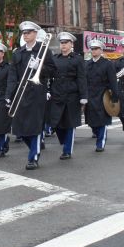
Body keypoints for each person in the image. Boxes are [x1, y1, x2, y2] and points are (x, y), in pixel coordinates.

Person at [6, 21, 56, 170]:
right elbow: (12, 76)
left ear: (35, 34)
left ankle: (33, 157)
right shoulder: (17, 53)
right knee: (20, 128)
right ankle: (36, 145)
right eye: (24, 33)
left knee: (34, 127)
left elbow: (53, 71)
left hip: (36, 93)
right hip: (20, 94)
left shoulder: (43, 50)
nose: (26, 35)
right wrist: (9, 94)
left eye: (28, 32)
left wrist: (39, 69)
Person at [48, 32, 87, 160]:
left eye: (66, 43)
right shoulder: (55, 58)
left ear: (71, 44)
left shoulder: (77, 59)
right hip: (57, 94)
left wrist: (83, 96)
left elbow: (81, 78)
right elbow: (49, 76)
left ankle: (67, 150)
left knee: (69, 124)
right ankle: (65, 142)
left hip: (71, 95)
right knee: (56, 123)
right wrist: (48, 90)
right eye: (62, 43)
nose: (63, 45)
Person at [84, 39, 118, 153]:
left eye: (96, 49)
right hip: (89, 94)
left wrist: (115, 97)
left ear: (101, 50)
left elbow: (113, 81)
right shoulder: (87, 64)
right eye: (92, 49)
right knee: (91, 121)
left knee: (102, 120)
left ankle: (100, 143)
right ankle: (99, 134)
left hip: (102, 95)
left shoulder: (107, 64)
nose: (93, 51)